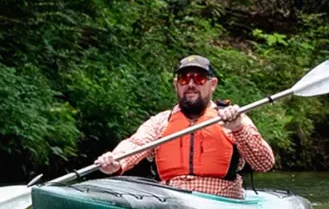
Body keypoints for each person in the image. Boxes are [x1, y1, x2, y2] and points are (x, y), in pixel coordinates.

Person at [96, 55, 277, 196]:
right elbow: (135, 144)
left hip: (220, 200)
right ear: (176, 85)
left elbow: (265, 164)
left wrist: (238, 129)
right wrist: (115, 162)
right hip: (171, 198)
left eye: (199, 79)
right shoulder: (161, 121)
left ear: (212, 84)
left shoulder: (232, 118)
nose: (191, 84)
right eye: (184, 79)